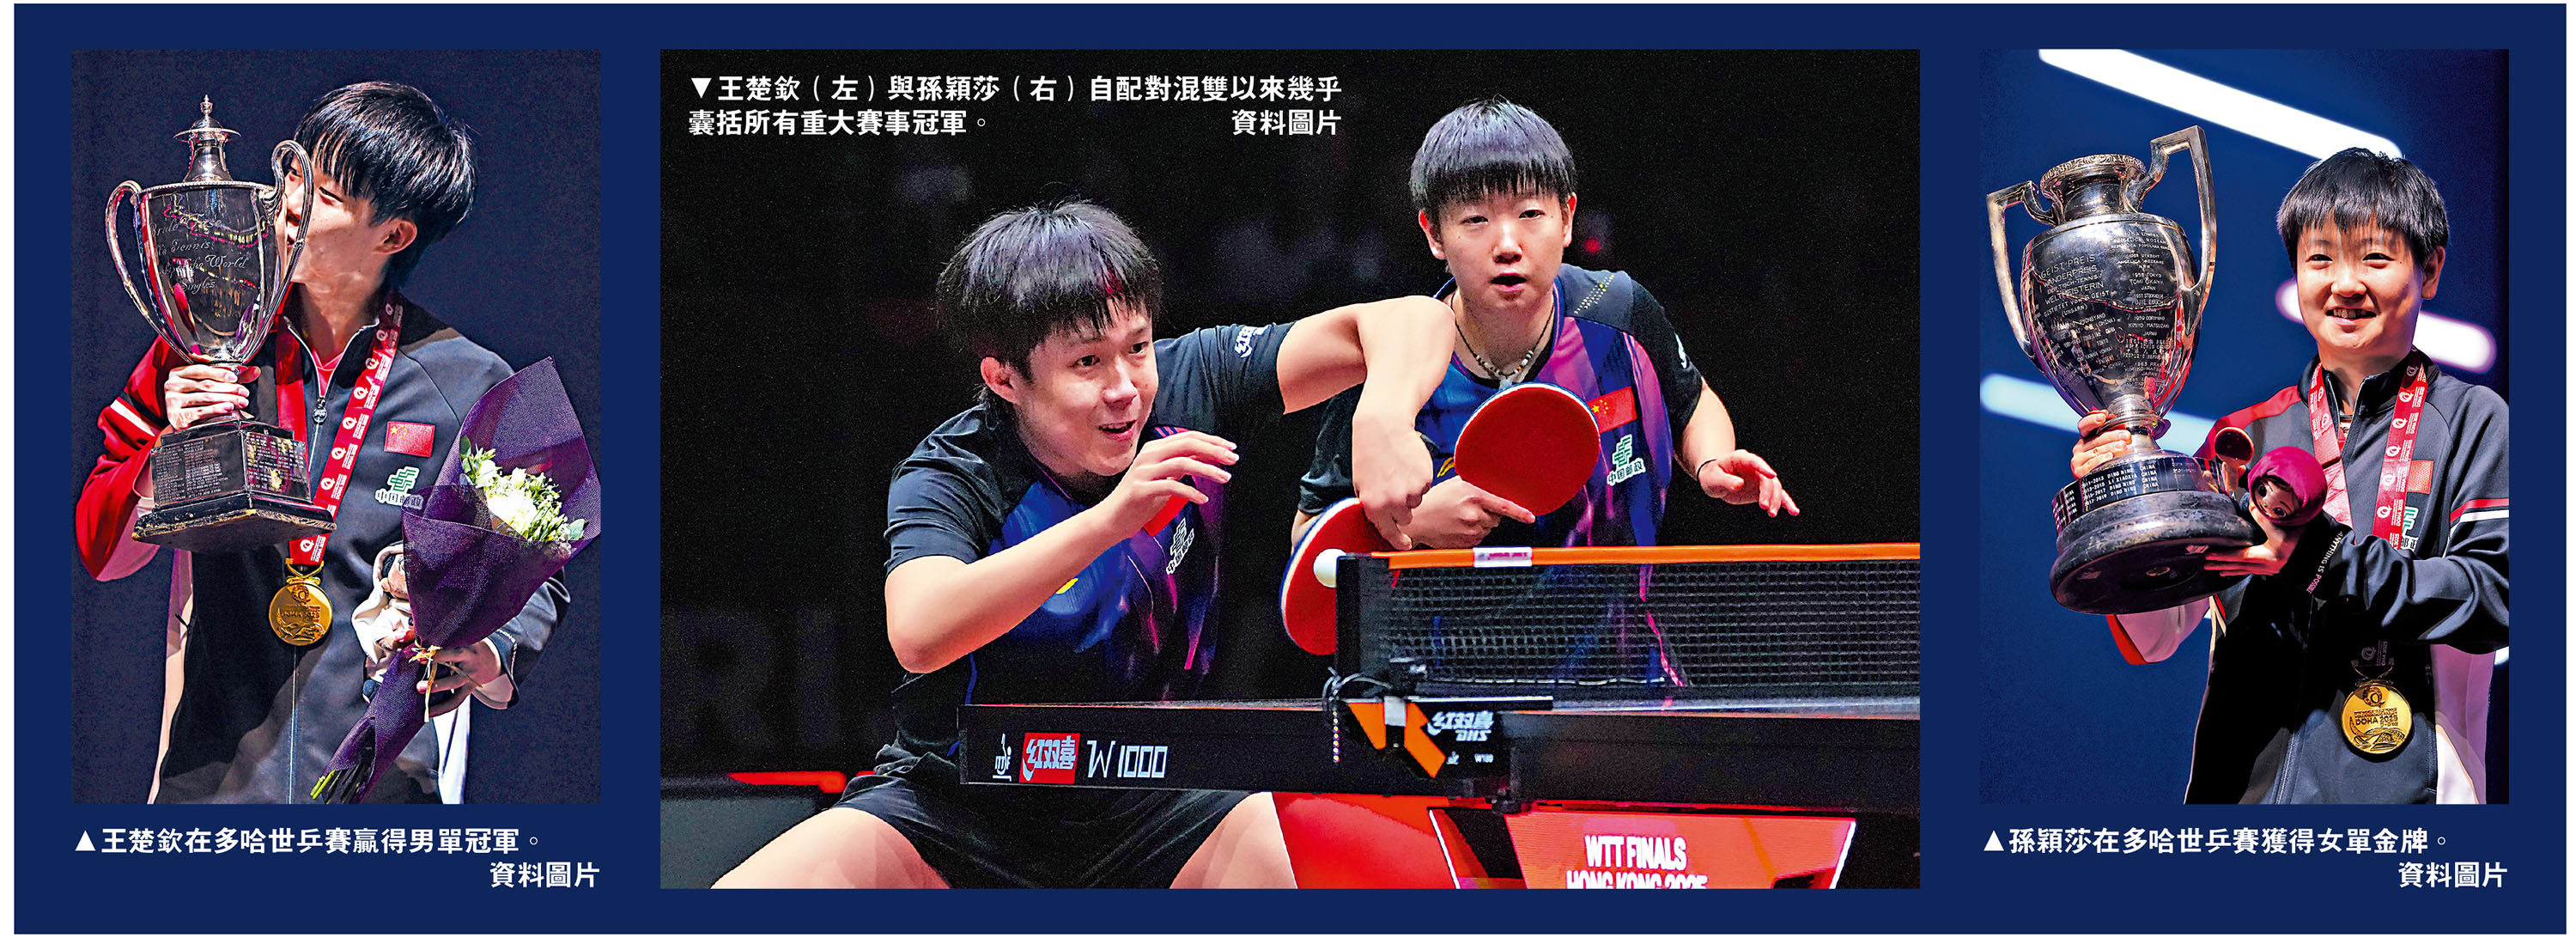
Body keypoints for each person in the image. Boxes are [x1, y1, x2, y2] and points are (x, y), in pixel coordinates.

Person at [714, 200, 1449, 887]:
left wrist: (1382, 416)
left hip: (1157, 798)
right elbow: (920, 632)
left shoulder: (1192, 383)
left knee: (1355, 879)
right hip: (955, 807)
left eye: (1137, 347)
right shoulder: (953, 473)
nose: (1125, 386)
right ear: (1004, 377)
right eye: (1087, 362)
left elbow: (1410, 318)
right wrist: (1109, 521)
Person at [76, 82, 564, 803]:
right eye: (292, 174)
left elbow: (537, 572)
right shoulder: (205, 348)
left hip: (381, 790)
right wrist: (168, 457)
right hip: (213, 790)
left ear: (393, 237)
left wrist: (486, 652)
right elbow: (102, 551)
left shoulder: (473, 380)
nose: (289, 203)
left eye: (325, 194)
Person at [2074, 148, 2506, 803]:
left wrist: (2322, 559)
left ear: (2431, 268)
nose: (2345, 283)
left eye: (2375, 258)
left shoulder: (2475, 423)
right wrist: (2122, 504)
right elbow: (2157, 634)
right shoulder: (2243, 437)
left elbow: (2498, 598)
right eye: (2320, 259)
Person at [1295, 97, 1795, 554]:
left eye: (1530, 213)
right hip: (1443, 629)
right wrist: (1410, 523)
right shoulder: (1391, 360)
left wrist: (1711, 461)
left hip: (1619, 627)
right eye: (1475, 220)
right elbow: (1308, 537)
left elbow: (1689, 400)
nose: (1507, 245)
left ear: (1567, 218)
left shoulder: (1618, 312)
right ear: (1434, 234)